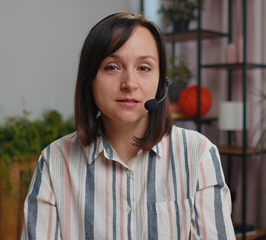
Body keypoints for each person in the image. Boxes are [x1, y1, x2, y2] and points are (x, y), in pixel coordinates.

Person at [21, 12, 235, 239]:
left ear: (161, 83)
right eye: (112, 67)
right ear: (89, 78)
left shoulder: (198, 154)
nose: (130, 84)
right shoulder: (54, 161)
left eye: (144, 68)